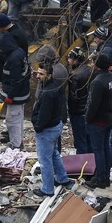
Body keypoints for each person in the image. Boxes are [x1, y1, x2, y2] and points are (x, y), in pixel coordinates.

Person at [31, 63, 71, 197]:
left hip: (47, 130)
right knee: (54, 154)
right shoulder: (55, 85)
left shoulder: (48, 92)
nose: (38, 76)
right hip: (55, 126)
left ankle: (47, 189)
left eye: (41, 74)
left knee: (45, 161)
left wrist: (37, 126)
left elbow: (44, 115)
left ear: (49, 75)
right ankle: (62, 178)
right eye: (37, 73)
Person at [0, 15, 30, 149]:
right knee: (16, 119)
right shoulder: (16, 52)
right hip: (18, 92)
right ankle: (16, 142)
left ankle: (16, 146)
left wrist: (10, 97)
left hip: (16, 95)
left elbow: (16, 79)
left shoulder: (13, 59)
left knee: (13, 120)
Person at [85, 52, 112, 188]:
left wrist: (87, 119)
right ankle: (106, 176)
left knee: (98, 150)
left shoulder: (97, 82)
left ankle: (100, 178)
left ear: (97, 66)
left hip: (98, 121)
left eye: (93, 62)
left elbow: (93, 104)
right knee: (105, 148)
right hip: (109, 117)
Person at [67, 48, 92, 154]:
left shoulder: (75, 75)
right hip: (88, 110)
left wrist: (71, 111)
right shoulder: (90, 70)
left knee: (80, 140)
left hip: (78, 112)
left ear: (75, 60)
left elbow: (73, 97)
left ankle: (83, 165)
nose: (68, 60)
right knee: (89, 139)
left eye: (70, 58)